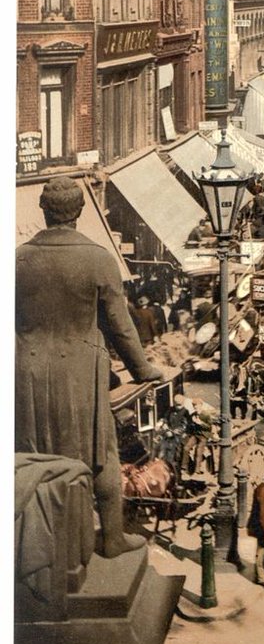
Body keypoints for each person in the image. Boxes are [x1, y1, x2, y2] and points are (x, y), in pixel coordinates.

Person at [15, 177, 164, 559]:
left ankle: (39, 546)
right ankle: (112, 538)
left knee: (31, 456)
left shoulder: (18, 259)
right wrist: (144, 369)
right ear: (80, 210)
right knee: (102, 455)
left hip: (25, 372)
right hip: (80, 374)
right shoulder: (98, 259)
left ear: (43, 210)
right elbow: (120, 326)